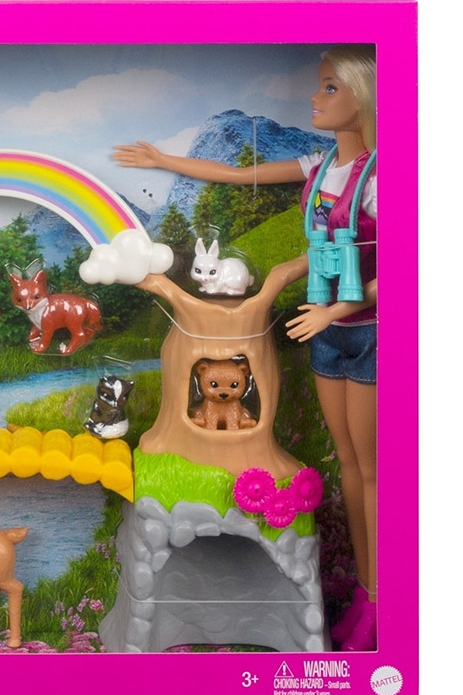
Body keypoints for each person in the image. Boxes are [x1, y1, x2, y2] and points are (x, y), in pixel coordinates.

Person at [113, 45, 378, 650]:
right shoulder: (320, 166)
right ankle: (368, 593)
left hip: (365, 331)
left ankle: (378, 598)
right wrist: (163, 159)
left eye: (330, 87)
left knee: (372, 471)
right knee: (348, 464)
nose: (315, 97)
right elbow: (240, 175)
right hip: (326, 333)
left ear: (364, 96)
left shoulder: (381, 177)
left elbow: (408, 264)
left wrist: (334, 308)